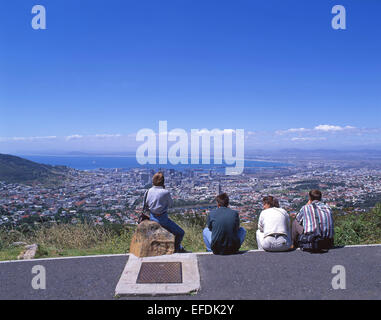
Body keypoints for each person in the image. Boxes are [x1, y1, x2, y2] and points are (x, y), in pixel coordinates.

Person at [146, 172, 187, 253]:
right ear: (163, 182)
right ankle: (177, 248)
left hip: (152, 217)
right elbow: (171, 204)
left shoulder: (148, 191)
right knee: (180, 233)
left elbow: (146, 203)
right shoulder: (165, 192)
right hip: (162, 219)